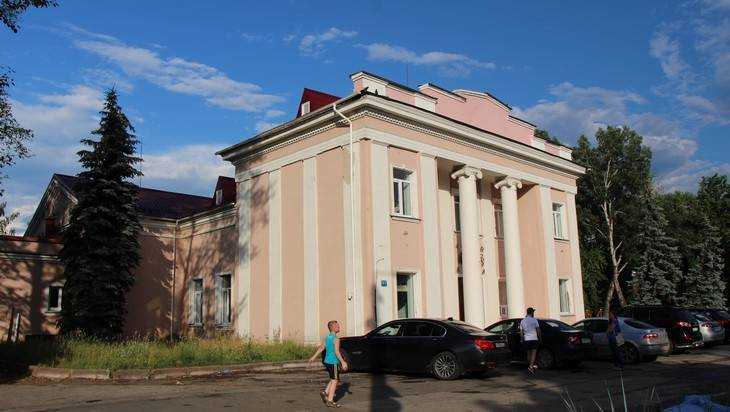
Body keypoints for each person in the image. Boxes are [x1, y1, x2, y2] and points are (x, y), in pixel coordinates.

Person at [309, 320, 348, 408]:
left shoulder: (327, 337)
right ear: (332, 327)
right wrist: (343, 362)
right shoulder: (336, 339)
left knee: (333, 378)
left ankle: (325, 392)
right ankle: (330, 401)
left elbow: (321, 348)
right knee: (335, 381)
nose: (339, 327)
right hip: (333, 362)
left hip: (327, 362)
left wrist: (313, 357)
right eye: (337, 326)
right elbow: (337, 352)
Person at [519, 307, 541, 373]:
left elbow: (521, 332)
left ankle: (530, 365)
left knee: (528, 353)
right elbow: (538, 330)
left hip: (526, 339)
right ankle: (531, 366)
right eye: (533, 312)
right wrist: (540, 338)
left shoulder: (522, 321)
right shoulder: (534, 320)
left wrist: (522, 339)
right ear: (532, 312)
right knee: (533, 353)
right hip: (534, 338)